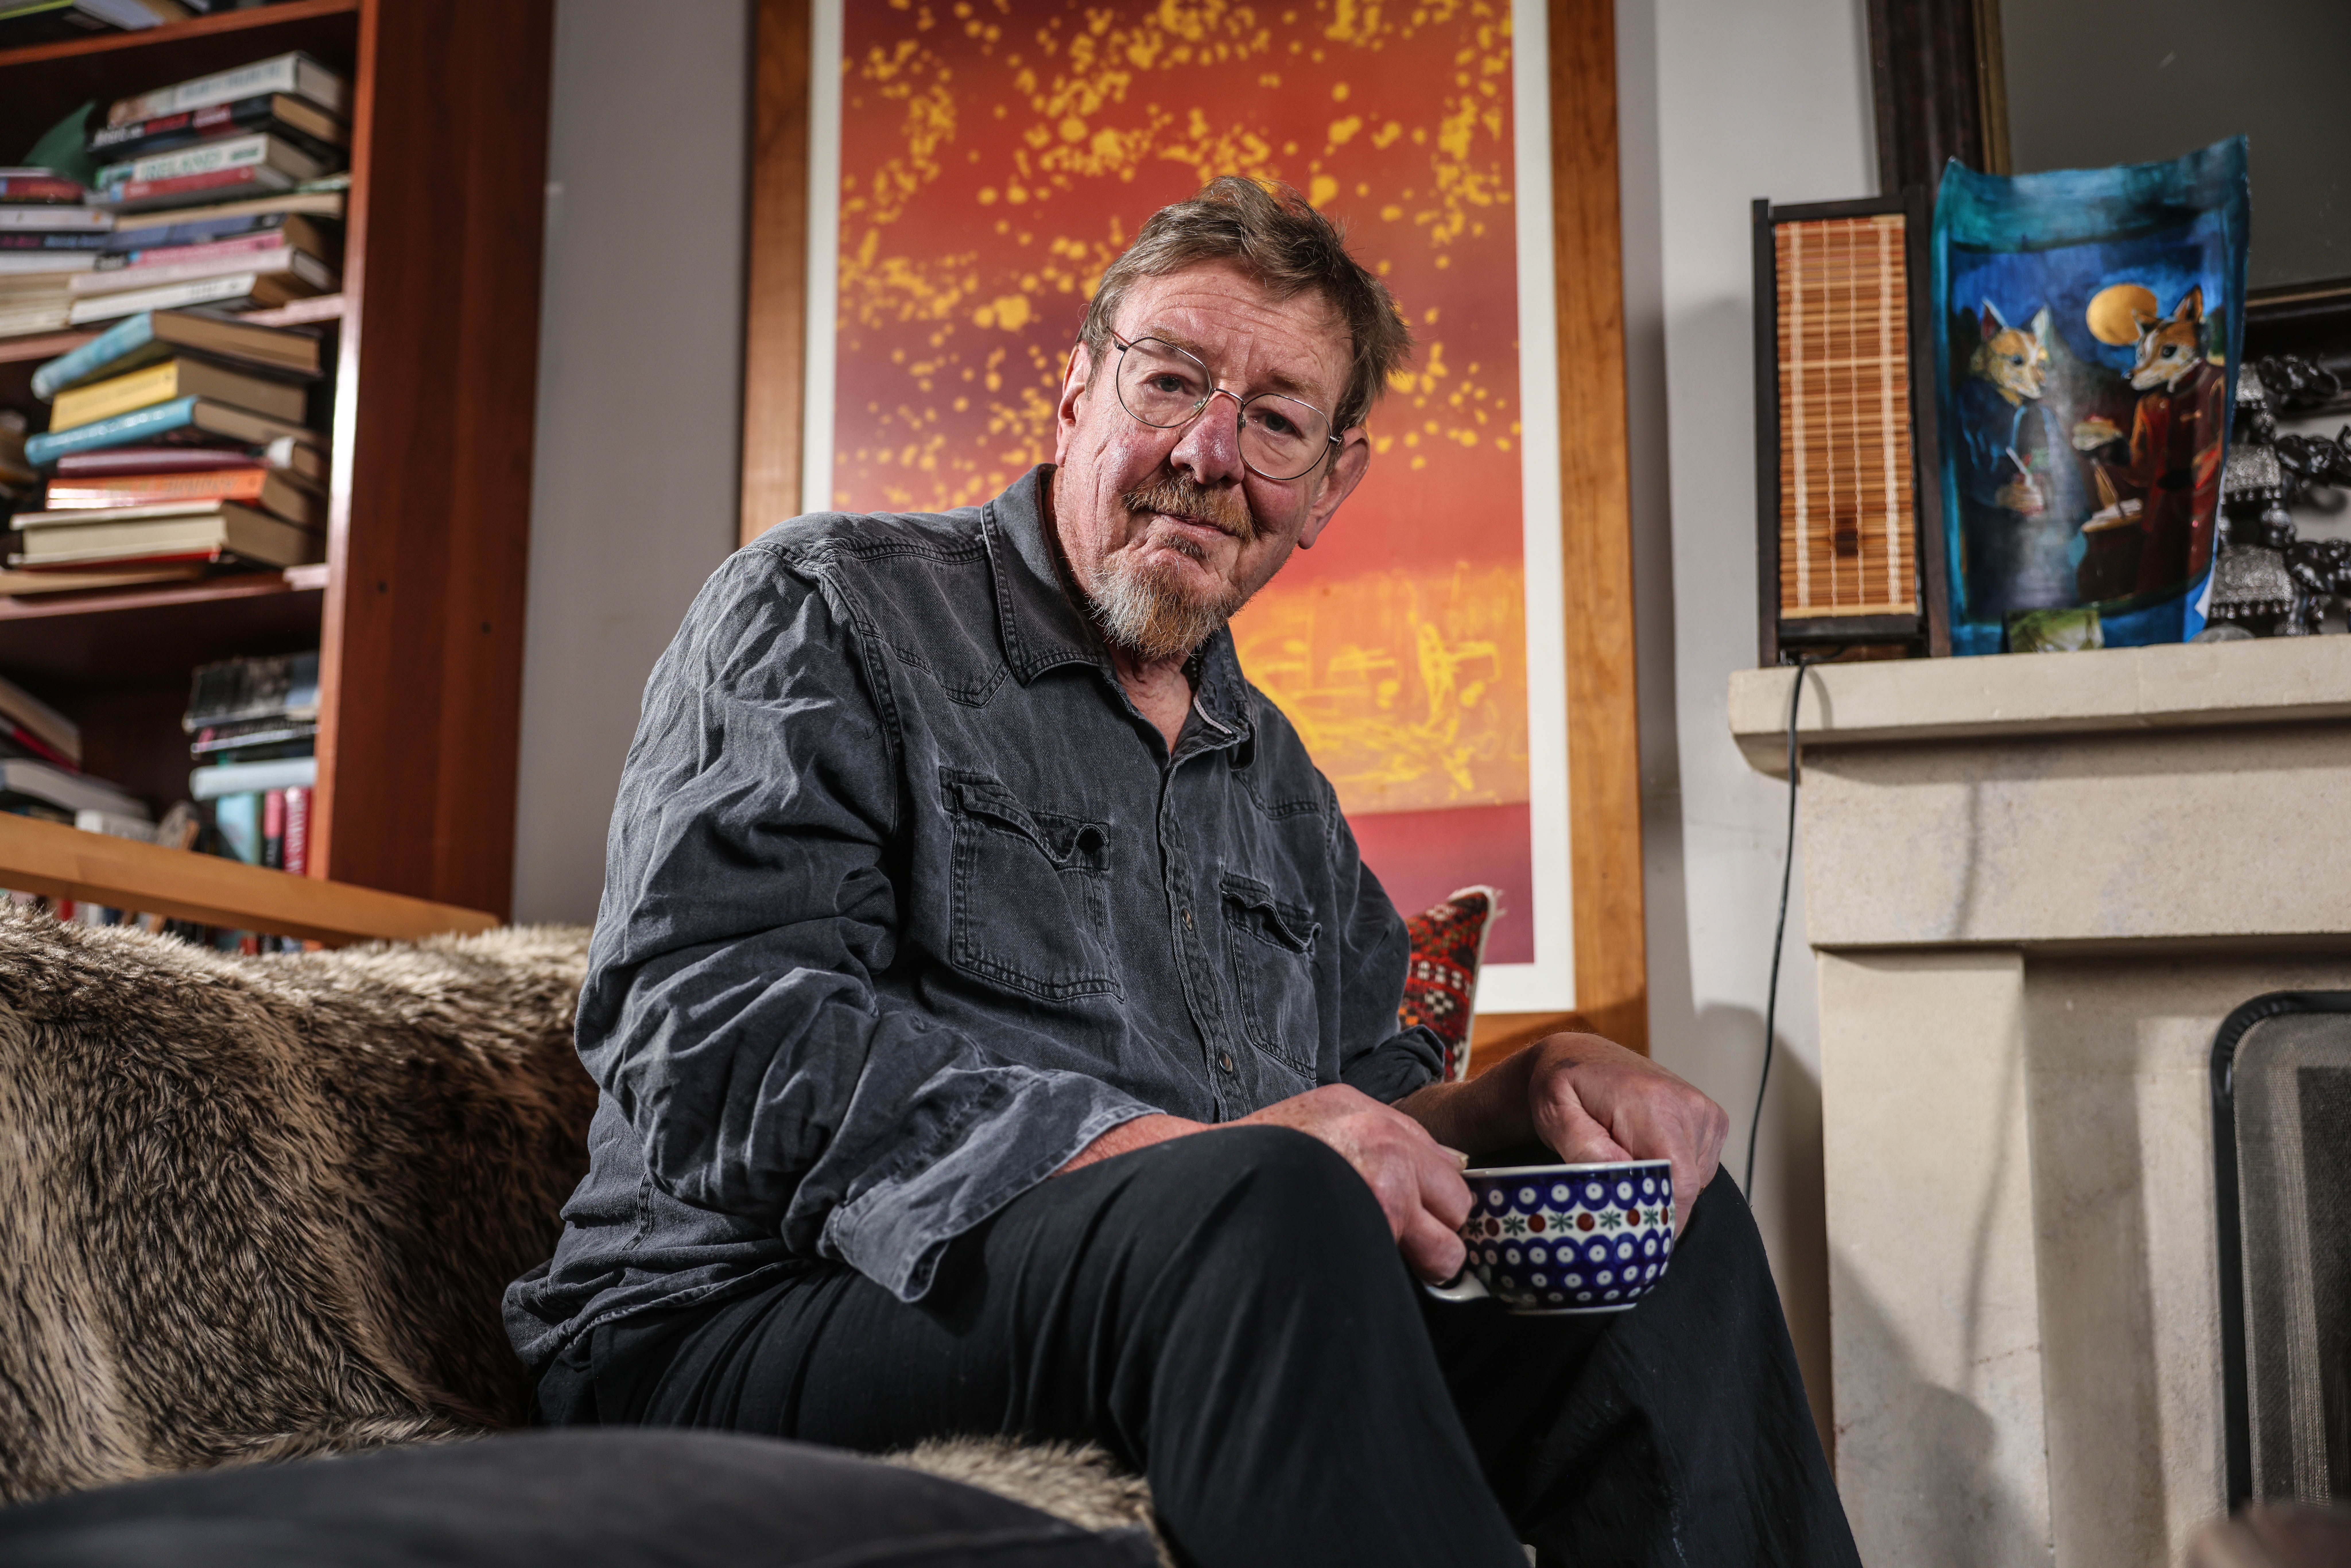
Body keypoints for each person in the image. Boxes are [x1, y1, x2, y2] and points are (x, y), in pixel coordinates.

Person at [506, 176, 1859, 1568]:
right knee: (1270, 1202)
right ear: (1076, 396)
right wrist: (1203, 1161)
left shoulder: (1276, 779)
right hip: (739, 1319)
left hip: (1199, 1294)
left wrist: (1526, 1093)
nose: (1209, 450)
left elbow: (1365, 1110)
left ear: (1327, 486)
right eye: (1168, 381)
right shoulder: (827, 606)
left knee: (1661, 1239)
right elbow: (702, 1029)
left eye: (1275, 419)